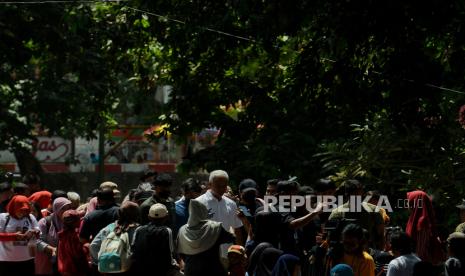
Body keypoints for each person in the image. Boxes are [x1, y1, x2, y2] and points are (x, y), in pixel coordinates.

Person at [196, 170, 244, 265]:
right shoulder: (198, 203)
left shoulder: (231, 204)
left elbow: (237, 229)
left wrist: (241, 252)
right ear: (210, 184)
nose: (221, 189)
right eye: (218, 186)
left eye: (224, 186)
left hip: (228, 255)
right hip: (205, 256)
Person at [177, 199, 235, 276]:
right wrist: (231, 228)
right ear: (203, 211)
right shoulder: (214, 227)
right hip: (213, 271)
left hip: (191, 271)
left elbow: (181, 253)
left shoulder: (182, 230)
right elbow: (231, 238)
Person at [329, 180, 385, 250]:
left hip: (368, 252)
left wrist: (379, 253)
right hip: (345, 253)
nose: (357, 196)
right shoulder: (337, 212)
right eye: (354, 194)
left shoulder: (373, 210)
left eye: (358, 193)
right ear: (347, 194)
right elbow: (331, 237)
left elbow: (381, 235)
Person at [89, 201, 140, 274]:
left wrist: (102, 262)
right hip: (130, 269)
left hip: (109, 268)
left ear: (119, 213)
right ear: (136, 215)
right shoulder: (138, 230)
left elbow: (93, 246)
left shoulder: (109, 228)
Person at [131, 203, 178, 275]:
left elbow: (132, 250)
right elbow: (170, 253)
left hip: (140, 270)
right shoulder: (167, 231)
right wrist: (175, 265)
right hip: (160, 271)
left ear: (149, 217)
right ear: (166, 217)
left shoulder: (139, 229)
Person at [0, 195, 40, 275]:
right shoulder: (3, 217)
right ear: (13, 207)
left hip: (28, 259)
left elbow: (38, 233)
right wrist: (14, 236)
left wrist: (33, 233)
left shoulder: (30, 217)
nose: (23, 213)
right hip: (7, 261)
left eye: (25, 210)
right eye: (20, 210)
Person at [405, 190, 444, 264]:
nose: (407, 205)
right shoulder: (414, 220)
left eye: (409, 201)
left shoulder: (422, 224)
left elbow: (420, 254)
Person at [35, 197, 72, 275]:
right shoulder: (45, 222)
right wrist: (51, 249)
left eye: (68, 208)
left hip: (66, 263)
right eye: (63, 209)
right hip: (48, 262)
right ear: (56, 209)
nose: (66, 211)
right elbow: (36, 240)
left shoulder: (71, 221)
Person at [57, 210, 89, 276]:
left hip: (64, 268)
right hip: (73, 269)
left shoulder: (62, 234)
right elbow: (78, 254)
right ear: (74, 222)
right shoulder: (74, 236)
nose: (80, 220)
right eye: (78, 219)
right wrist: (87, 247)